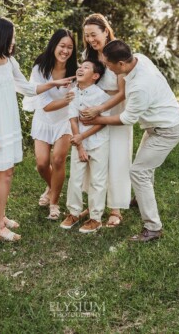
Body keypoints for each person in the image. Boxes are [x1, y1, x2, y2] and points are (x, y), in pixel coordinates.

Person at [0, 17, 74, 242]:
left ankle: (1, 216)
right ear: (0, 37)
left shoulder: (9, 62)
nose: (13, 41)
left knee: (8, 172)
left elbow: (27, 88)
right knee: (4, 174)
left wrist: (53, 84)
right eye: (11, 37)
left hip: (8, 122)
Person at [83, 39, 179, 242]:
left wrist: (97, 118)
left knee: (139, 172)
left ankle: (153, 227)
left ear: (121, 64)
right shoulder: (140, 58)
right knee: (144, 167)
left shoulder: (139, 86)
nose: (107, 68)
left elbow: (127, 119)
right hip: (157, 125)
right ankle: (140, 199)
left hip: (166, 130)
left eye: (109, 65)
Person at [81, 14, 133, 227]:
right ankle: (94, 203)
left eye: (94, 34)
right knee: (94, 155)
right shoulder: (88, 54)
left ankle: (115, 208)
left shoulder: (117, 52)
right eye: (87, 36)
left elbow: (122, 92)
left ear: (105, 31)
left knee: (116, 157)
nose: (91, 39)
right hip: (93, 110)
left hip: (114, 109)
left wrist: (100, 110)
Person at [23, 29, 78, 220]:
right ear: (54, 45)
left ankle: (54, 202)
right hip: (44, 119)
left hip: (65, 120)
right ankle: (52, 185)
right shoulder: (40, 69)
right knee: (41, 164)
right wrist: (67, 99)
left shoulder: (75, 70)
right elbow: (46, 106)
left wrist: (73, 101)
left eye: (70, 47)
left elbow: (80, 96)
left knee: (58, 160)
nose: (65, 50)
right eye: (62, 46)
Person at [60, 59, 110, 233]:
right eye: (80, 66)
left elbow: (103, 122)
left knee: (98, 180)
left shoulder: (102, 96)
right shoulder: (73, 93)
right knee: (75, 178)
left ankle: (95, 218)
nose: (80, 68)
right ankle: (73, 213)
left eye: (86, 67)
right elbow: (73, 119)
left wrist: (83, 136)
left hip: (99, 143)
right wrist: (79, 144)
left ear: (95, 76)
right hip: (78, 143)